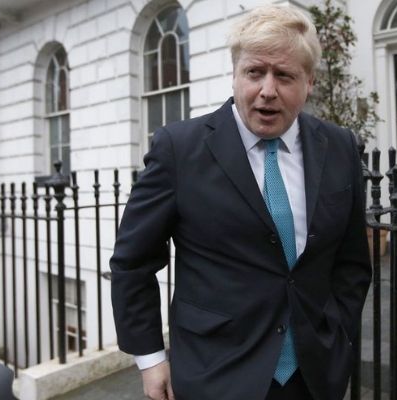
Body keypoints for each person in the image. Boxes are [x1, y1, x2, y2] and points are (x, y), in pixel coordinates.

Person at [110, 5, 371, 400]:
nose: (267, 90)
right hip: (215, 374)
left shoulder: (339, 147)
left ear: (309, 83)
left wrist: (340, 335)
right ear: (235, 75)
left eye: (284, 75)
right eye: (254, 72)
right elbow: (133, 262)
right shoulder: (179, 149)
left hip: (315, 375)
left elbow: (351, 261)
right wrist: (150, 358)